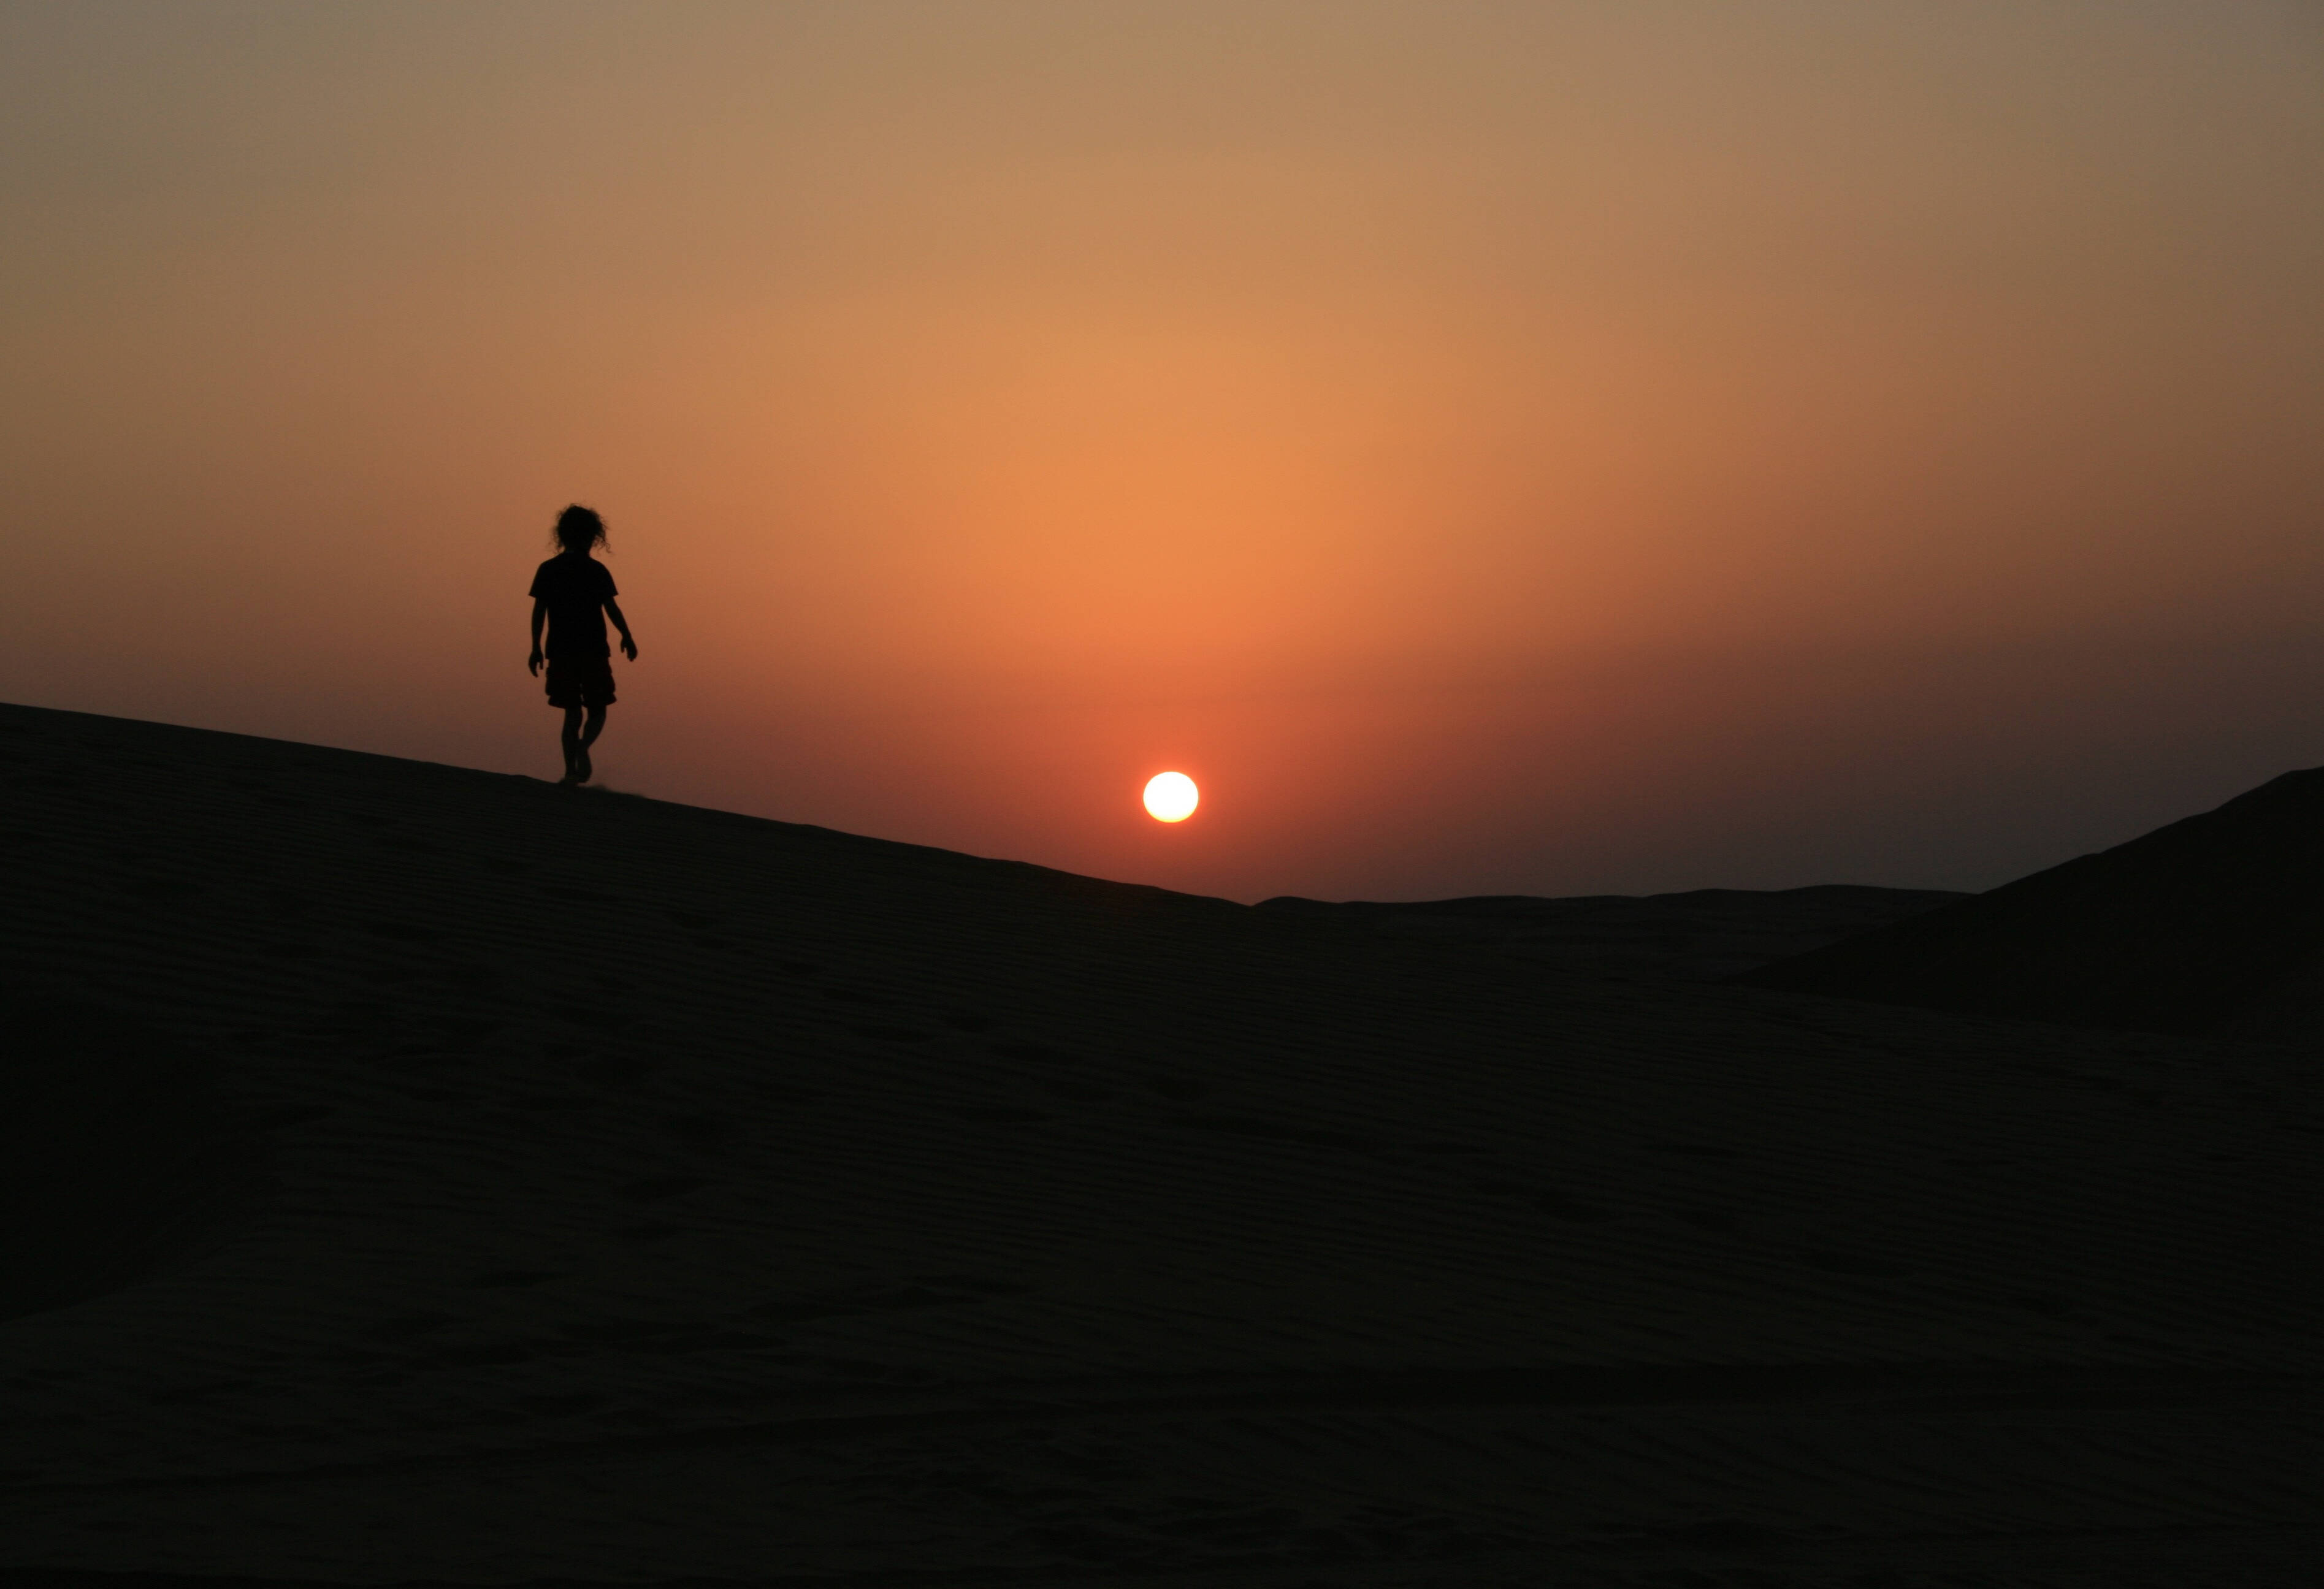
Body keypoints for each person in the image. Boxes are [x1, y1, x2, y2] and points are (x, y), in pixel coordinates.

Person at [528, 505, 636, 785]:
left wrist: (536, 647)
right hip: (593, 649)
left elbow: (540, 610)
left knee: (572, 711)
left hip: (561, 648)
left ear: (562, 536)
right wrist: (627, 635)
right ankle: (582, 748)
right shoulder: (596, 570)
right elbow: (611, 607)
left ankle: (570, 771)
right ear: (592, 537)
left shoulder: (549, 569)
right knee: (598, 707)